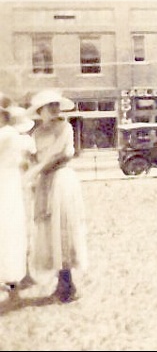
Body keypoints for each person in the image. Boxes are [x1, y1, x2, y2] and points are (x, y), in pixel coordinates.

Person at [23, 89, 87, 303]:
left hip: (60, 180)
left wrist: (37, 169)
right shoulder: (37, 133)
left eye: (55, 106)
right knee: (48, 230)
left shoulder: (65, 127)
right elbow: (35, 157)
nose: (53, 110)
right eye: (49, 107)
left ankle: (68, 283)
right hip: (45, 182)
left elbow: (58, 155)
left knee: (63, 228)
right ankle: (62, 282)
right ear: (40, 111)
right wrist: (30, 166)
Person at [0, 98, 36, 303]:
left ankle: (12, 278)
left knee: (7, 231)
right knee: (12, 229)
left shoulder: (6, 134)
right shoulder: (15, 136)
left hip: (6, 182)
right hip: (12, 181)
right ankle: (15, 277)